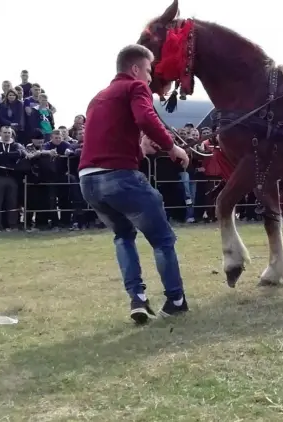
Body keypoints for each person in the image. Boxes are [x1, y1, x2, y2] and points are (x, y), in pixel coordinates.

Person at [78, 44, 191, 325]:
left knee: (123, 236)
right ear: (136, 69)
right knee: (163, 240)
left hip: (88, 181)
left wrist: (140, 149)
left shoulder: (97, 98)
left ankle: (137, 299)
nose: (151, 79)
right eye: (149, 71)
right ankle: (176, 300)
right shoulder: (135, 88)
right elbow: (145, 116)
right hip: (120, 178)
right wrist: (171, 147)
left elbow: (107, 138)